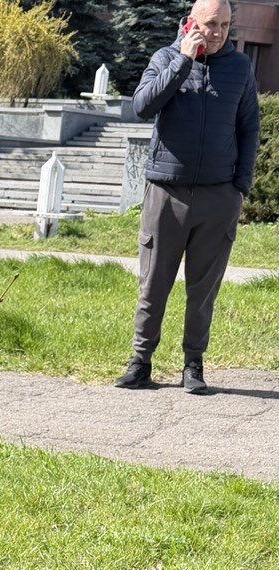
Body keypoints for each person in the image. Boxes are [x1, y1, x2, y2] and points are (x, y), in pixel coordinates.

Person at [115, 1, 259, 395]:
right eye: (211, 24)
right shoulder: (165, 57)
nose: (218, 32)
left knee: (203, 291)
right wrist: (182, 60)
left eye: (226, 25)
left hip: (218, 198)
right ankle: (140, 362)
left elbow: (249, 129)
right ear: (192, 22)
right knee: (153, 285)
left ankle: (192, 367)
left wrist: (239, 189)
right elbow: (143, 107)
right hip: (166, 192)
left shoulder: (240, 68)